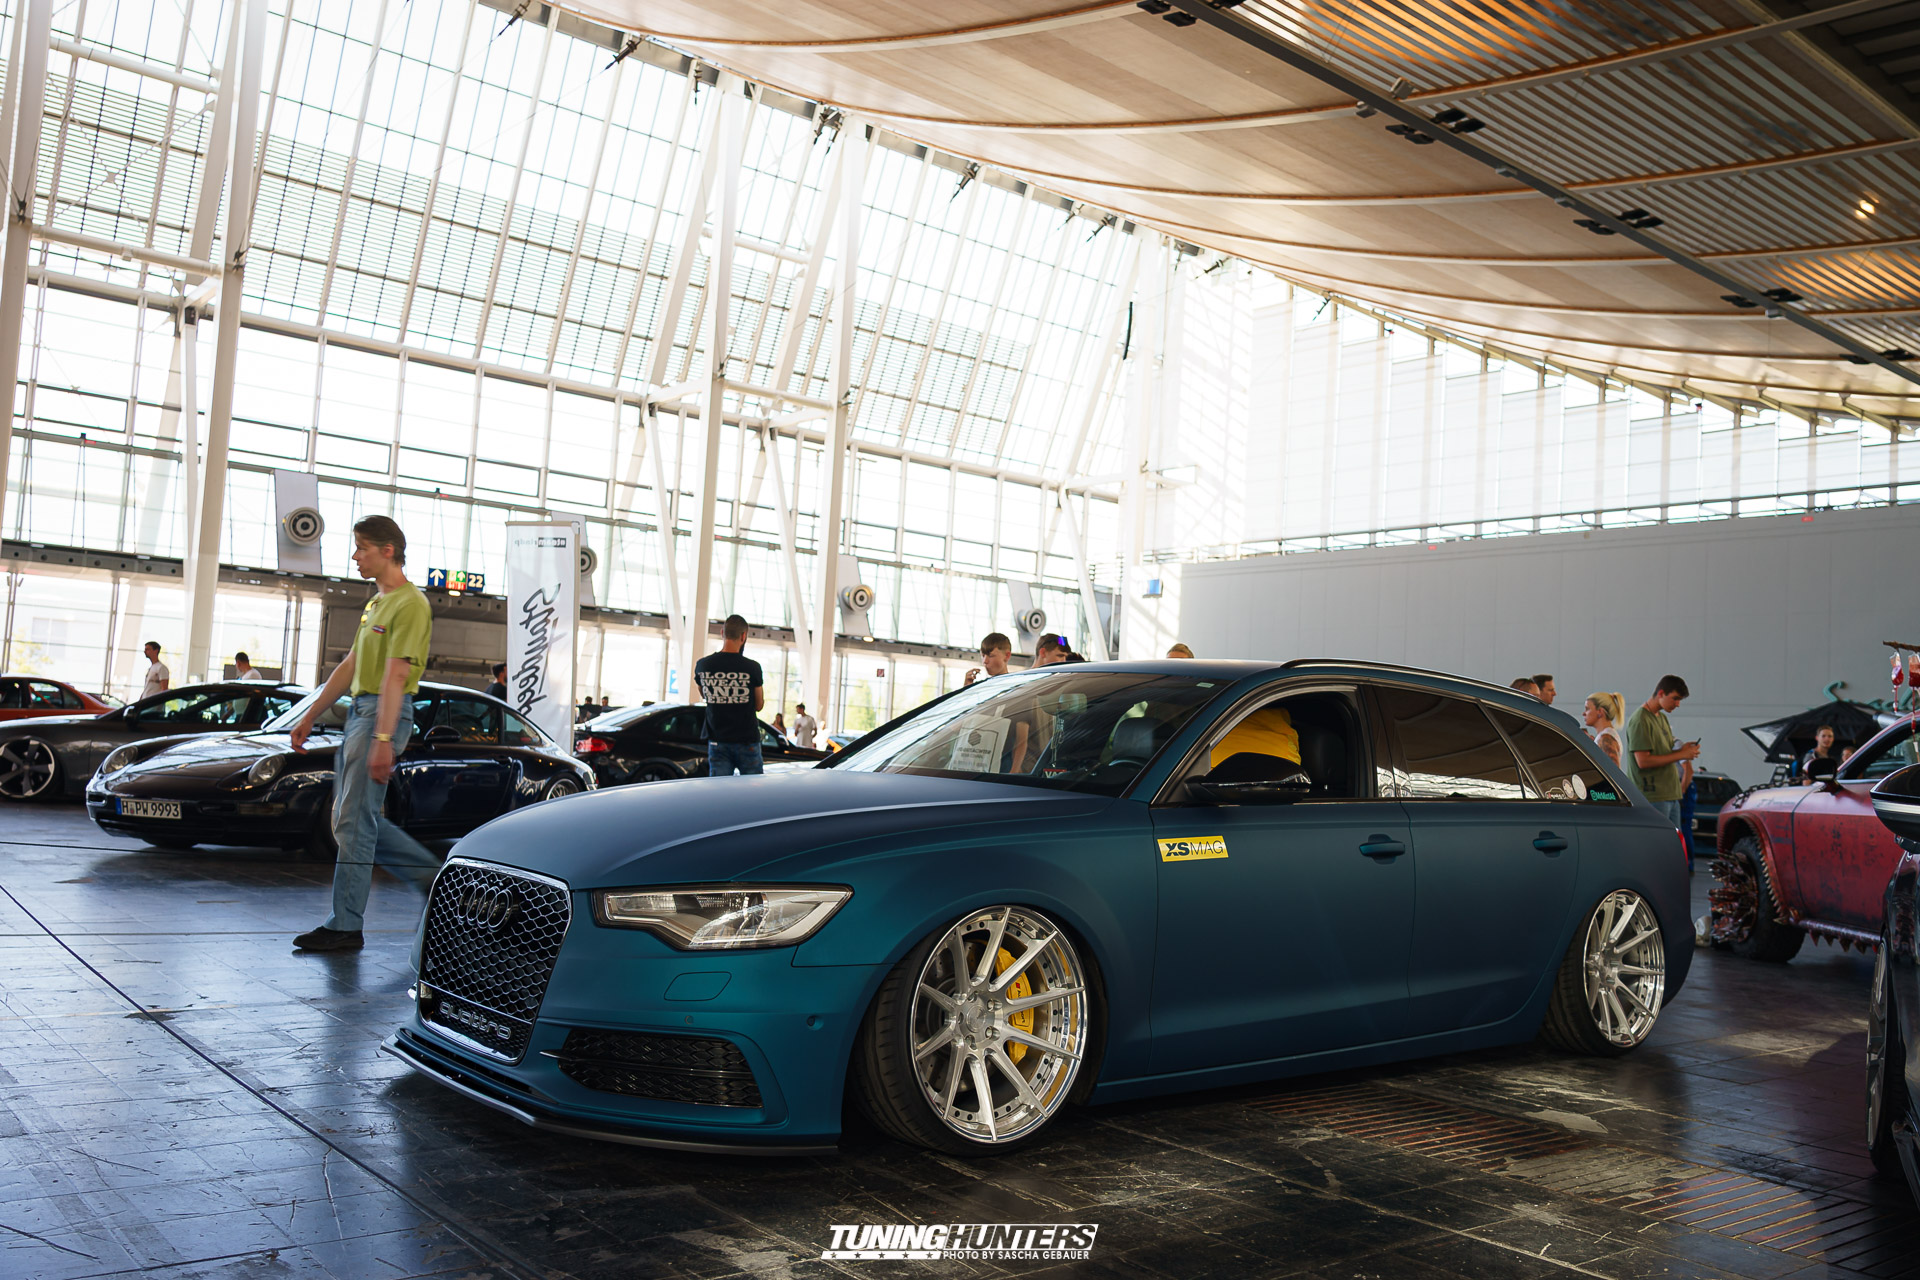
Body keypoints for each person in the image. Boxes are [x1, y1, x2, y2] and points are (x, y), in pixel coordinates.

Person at [291, 516, 440, 952]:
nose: (355, 556)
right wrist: (310, 714)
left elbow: (396, 677)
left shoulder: (411, 604)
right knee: (350, 819)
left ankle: (345, 924)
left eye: (362, 548)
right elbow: (350, 665)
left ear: (387, 551)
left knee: (354, 822)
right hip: (359, 713)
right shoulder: (376, 603)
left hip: (380, 715)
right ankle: (428, 876)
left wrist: (383, 739)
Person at [1627, 675, 1699, 832]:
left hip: (1670, 795)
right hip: (1653, 796)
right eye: (1675, 698)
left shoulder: (1662, 718)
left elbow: (1665, 753)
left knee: (1674, 844)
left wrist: (1683, 751)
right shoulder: (1640, 720)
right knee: (1657, 843)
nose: (1677, 704)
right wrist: (1681, 755)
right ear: (1661, 693)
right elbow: (1643, 761)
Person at [694, 614, 765, 776]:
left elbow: (705, 694)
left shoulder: (703, 665)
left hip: (717, 740)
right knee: (753, 788)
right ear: (743, 636)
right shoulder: (752, 667)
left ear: (722, 633)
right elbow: (759, 705)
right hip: (747, 739)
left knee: (720, 789)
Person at [1583, 692, 1626, 768]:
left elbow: (1614, 771)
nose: (1584, 713)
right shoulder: (1604, 736)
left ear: (1600, 712)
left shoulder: (1605, 738)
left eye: (1587, 709)